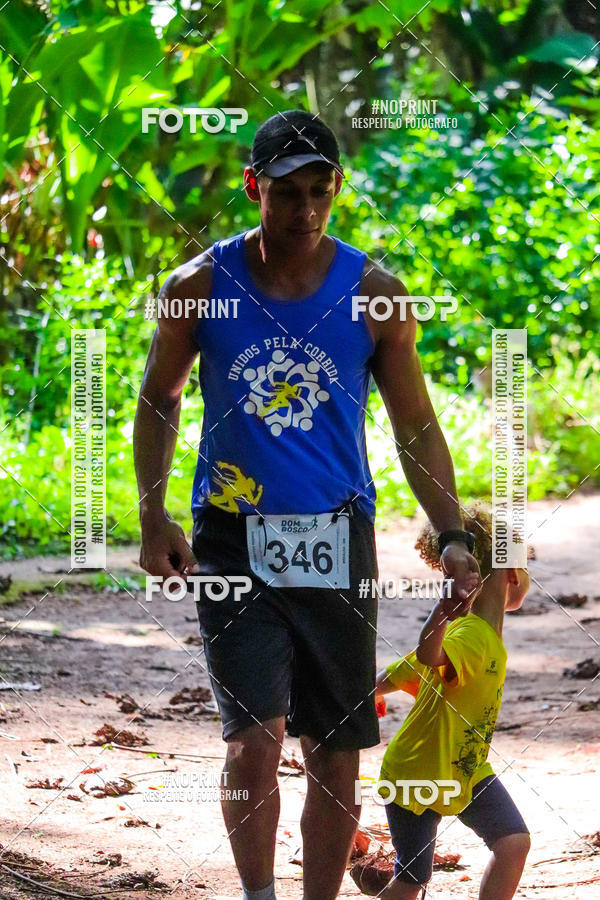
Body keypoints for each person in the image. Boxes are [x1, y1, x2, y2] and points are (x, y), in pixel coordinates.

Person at [134, 109, 481, 900]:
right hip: (232, 538)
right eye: (288, 192)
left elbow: (415, 424)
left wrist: (452, 531)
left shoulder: (375, 296)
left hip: (337, 536)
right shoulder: (198, 288)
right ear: (253, 187)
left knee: (335, 746)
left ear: (337, 189)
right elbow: (159, 399)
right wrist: (154, 516)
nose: (306, 209)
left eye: (320, 191)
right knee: (252, 740)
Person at [375, 504, 531, 900]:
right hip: (418, 775)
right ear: (513, 572)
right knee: (412, 879)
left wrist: (369, 694)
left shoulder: (473, 633)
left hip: (465, 768)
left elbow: (401, 671)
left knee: (513, 842)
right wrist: (440, 614)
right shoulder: (471, 635)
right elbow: (429, 656)